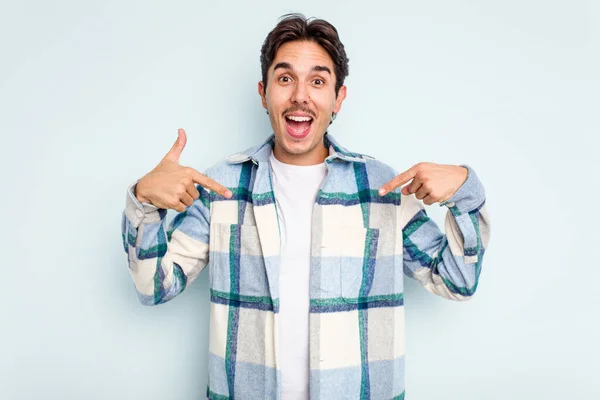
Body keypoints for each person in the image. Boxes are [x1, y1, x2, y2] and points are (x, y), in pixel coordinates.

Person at [121, 13, 490, 400]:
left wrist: (465, 192)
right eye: (285, 79)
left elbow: (457, 282)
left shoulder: (382, 187)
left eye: (318, 80)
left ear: (338, 98)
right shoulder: (221, 187)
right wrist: (143, 200)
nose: (300, 95)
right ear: (263, 94)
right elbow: (154, 287)